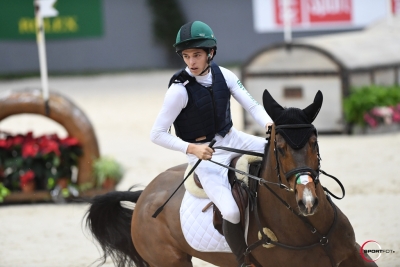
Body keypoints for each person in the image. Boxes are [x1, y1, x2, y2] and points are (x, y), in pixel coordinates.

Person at [150, 21, 273, 267]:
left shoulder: (225, 75)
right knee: (230, 211)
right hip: (204, 155)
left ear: (210, 53)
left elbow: (251, 105)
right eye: (186, 56)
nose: (191, 62)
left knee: (279, 154)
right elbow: (157, 134)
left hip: (232, 138)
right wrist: (191, 149)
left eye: (196, 55)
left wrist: (270, 124)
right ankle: (244, 261)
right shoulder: (178, 90)